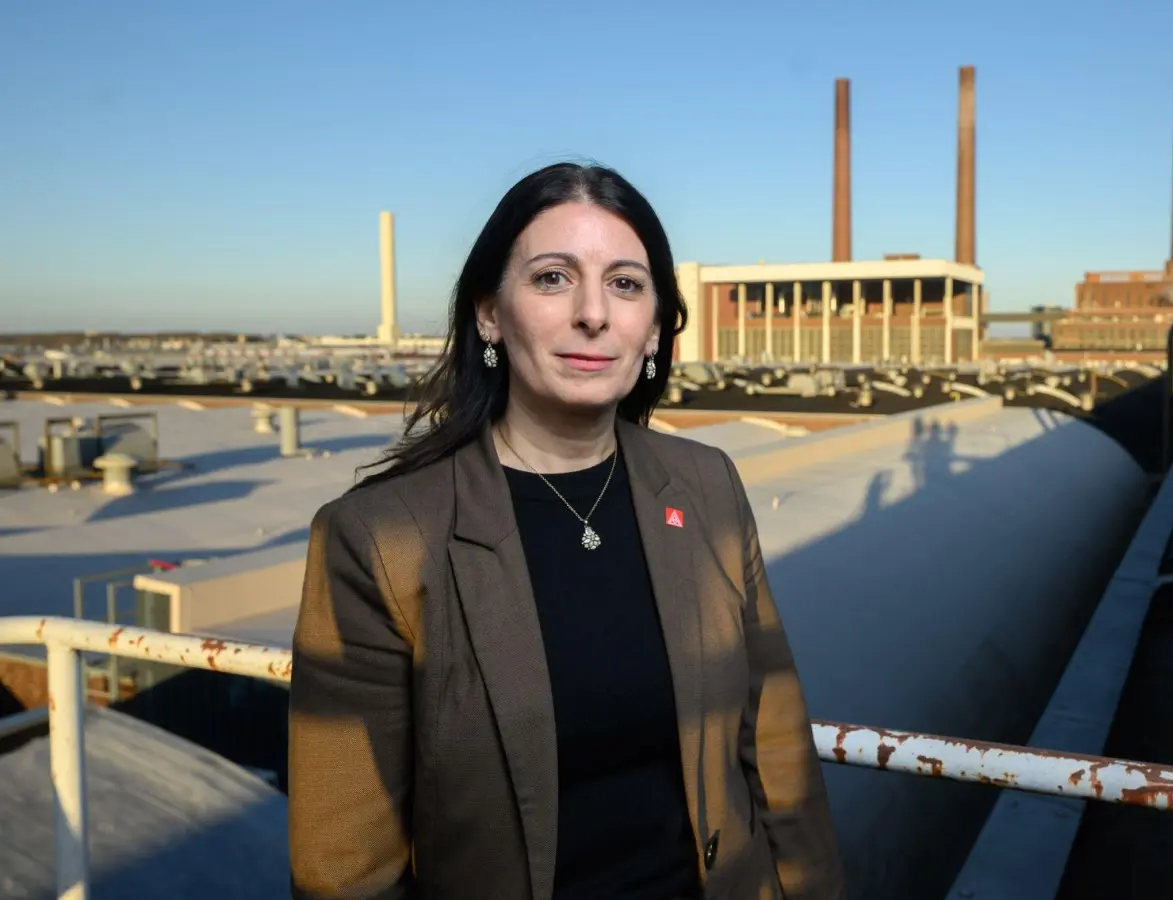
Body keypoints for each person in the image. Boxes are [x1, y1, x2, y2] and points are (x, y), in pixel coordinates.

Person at [287, 162, 846, 900]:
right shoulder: (380, 538)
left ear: (656, 327)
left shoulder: (708, 485)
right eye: (553, 278)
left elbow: (775, 745)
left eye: (625, 284)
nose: (593, 313)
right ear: (489, 313)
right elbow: (344, 868)